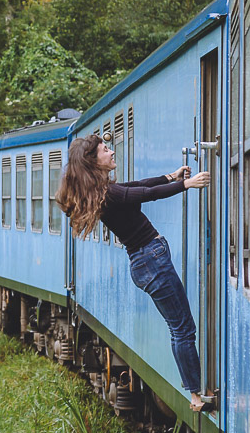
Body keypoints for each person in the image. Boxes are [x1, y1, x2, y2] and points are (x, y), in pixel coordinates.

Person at [55, 134, 212, 412]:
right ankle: (196, 395)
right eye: (105, 149)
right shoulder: (108, 194)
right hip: (152, 262)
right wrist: (186, 184)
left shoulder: (104, 190)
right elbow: (147, 194)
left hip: (146, 262)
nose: (111, 152)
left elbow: (139, 186)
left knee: (180, 327)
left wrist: (171, 176)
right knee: (183, 328)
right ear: (94, 161)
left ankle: (196, 390)